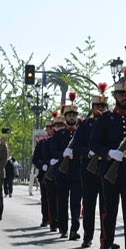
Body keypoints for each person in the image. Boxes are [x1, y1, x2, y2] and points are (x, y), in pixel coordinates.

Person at [90, 69, 126, 249]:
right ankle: (106, 244)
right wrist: (109, 153)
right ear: (114, 96)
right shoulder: (105, 119)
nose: (124, 97)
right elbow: (94, 144)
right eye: (121, 94)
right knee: (110, 210)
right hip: (110, 169)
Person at [74, 83, 112, 248]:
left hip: (107, 168)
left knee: (107, 206)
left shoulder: (111, 121)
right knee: (89, 204)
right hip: (89, 168)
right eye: (98, 105)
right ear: (93, 106)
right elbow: (76, 146)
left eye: (103, 105)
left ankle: (106, 238)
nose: (101, 108)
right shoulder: (85, 124)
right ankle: (87, 236)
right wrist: (87, 152)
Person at [52, 94, 83, 240]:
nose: (71, 118)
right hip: (62, 173)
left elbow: (85, 148)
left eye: (74, 115)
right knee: (63, 203)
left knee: (76, 203)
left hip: (77, 173)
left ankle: (74, 229)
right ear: (65, 118)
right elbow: (53, 151)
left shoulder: (80, 133)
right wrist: (62, 154)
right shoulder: (59, 134)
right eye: (69, 115)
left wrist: (75, 152)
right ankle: (63, 228)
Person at [32, 119, 55, 228]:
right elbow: (35, 159)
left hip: (58, 173)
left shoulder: (59, 140)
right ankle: (45, 218)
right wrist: (42, 166)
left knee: (57, 198)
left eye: (52, 127)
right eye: (49, 128)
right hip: (45, 174)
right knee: (45, 198)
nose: (51, 130)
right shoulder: (42, 143)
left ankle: (56, 219)